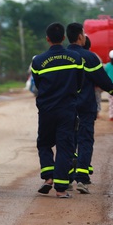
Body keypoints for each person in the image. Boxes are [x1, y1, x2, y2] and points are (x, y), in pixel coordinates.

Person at [66, 23, 113, 194]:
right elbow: (103, 80)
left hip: (66, 107)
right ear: (80, 37)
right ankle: (82, 179)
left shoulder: (62, 56)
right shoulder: (89, 57)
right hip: (85, 106)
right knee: (85, 140)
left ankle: (66, 179)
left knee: (68, 140)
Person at [30, 22, 83, 198]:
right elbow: (79, 83)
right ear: (63, 38)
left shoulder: (37, 61)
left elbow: (37, 85)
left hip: (46, 109)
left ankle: (48, 178)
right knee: (64, 146)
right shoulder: (75, 58)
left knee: (44, 143)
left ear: (47, 39)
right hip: (67, 110)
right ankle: (61, 190)